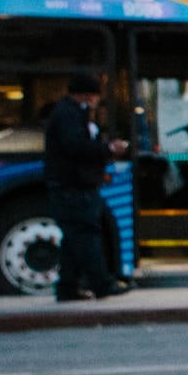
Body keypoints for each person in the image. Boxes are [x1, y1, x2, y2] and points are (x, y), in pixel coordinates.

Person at [42, 72, 129, 301]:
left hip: (69, 184)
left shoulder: (66, 113)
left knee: (73, 238)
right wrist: (108, 150)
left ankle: (67, 287)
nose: (97, 100)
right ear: (86, 95)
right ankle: (102, 283)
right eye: (95, 95)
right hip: (75, 185)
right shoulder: (70, 115)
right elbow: (77, 147)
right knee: (87, 233)